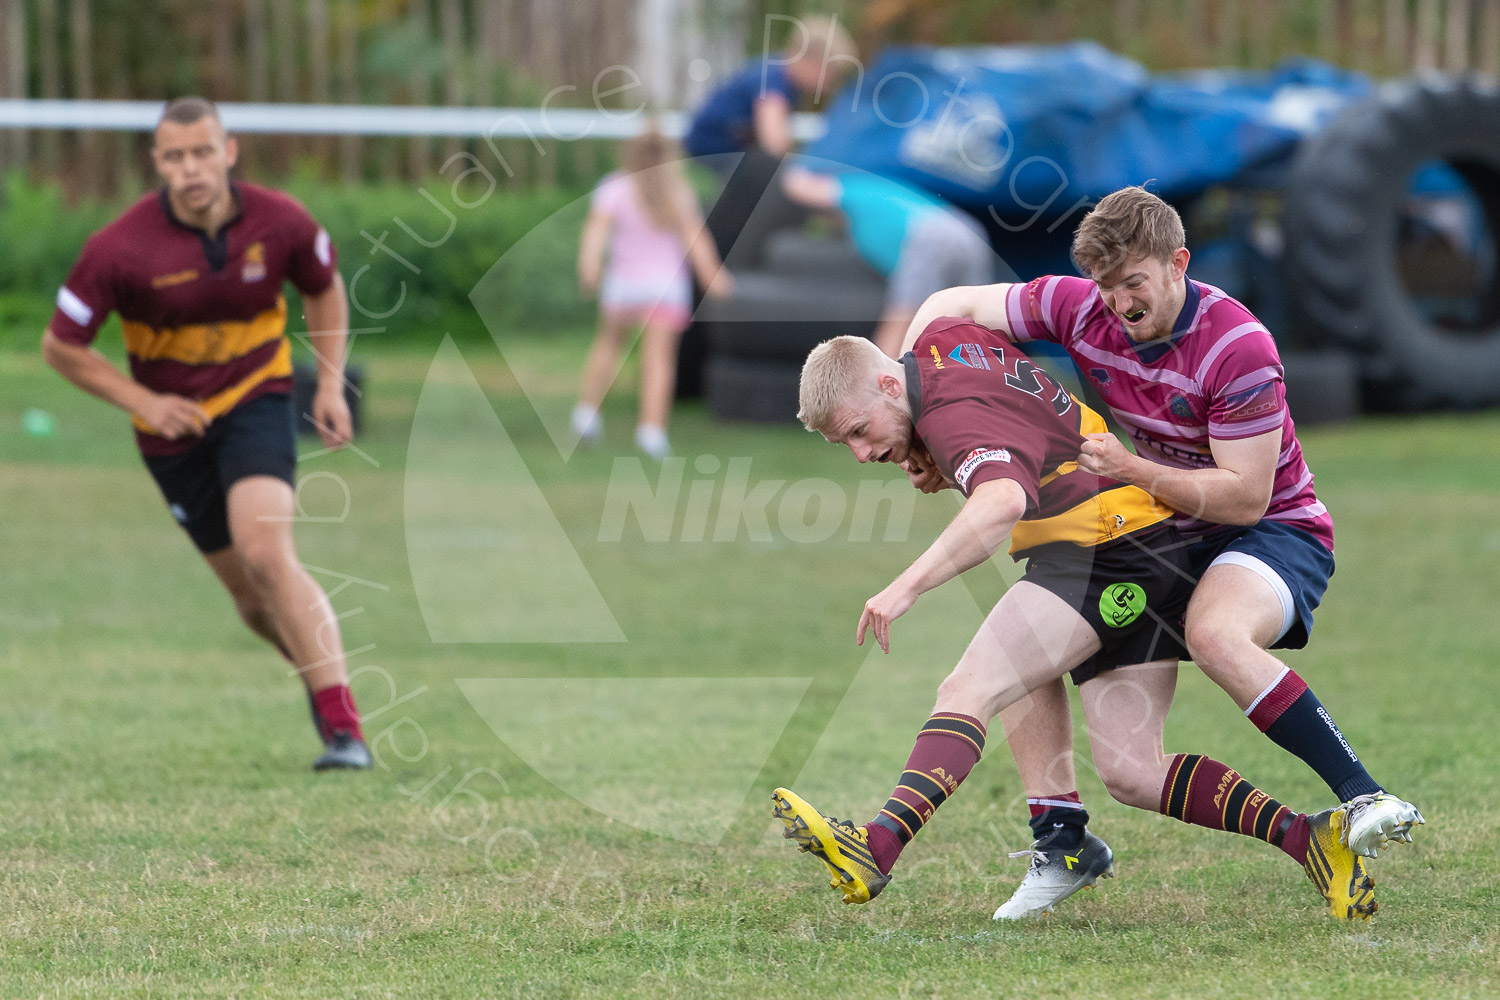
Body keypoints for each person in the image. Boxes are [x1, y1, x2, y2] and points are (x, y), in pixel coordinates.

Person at [896, 186, 1423, 916]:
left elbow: (1244, 497)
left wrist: (1132, 468)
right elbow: (953, 304)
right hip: (1162, 531)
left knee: (1214, 632)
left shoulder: (1238, 346)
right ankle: (1074, 841)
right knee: (1128, 768)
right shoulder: (1078, 305)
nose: (1119, 303)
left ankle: (1364, 794)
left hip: (1274, 531)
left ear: (1179, 263)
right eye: (1107, 287)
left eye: (1134, 283)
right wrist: (913, 405)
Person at [774, 331, 1381, 921]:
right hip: (1132, 544)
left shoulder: (949, 414)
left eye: (859, 431)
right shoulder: (942, 342)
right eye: (844, 445)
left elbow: (1002, 502)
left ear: (888, 383)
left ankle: (878, 846)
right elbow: (993, 392)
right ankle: (1309, 839)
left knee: (971, 689)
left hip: (1105, 549)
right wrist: (928, 448)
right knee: (1134, 773)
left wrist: (903, 587)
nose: (860, 453)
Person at [41, 96, 371, 771]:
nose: (191, 168)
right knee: (252, 605)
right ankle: (324, 672)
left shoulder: (281, 220)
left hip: (259, 399)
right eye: (175, 156)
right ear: (157, 163)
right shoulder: (118, 248)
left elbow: (325, 286)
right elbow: (60, 346)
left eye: (202, 152)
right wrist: (144, 401)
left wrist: (332, 384)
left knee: (265, 550)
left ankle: (343, 727)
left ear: (229, 150)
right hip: (172, 436)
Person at [572, 129, 733, 460]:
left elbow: (596, 232)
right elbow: (696, 241)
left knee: (608, 347)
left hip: (623, 285)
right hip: (665, 289)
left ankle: (588, 413)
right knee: (658, 361)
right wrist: (715, 278)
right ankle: (651, 430)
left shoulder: (614, 187)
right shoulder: (677, 192)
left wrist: (589, 266)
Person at [683, 16, 858, 268]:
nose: (830, 83)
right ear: (812, 61)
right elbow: (773, 142)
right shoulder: (774, 79)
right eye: (830, 73)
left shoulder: (775, 74)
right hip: (712, 161)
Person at [780, 163, 994, 356]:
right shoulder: (869, 214)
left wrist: (789, 166)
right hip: (970, 233)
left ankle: (874, 391)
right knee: (973, 328)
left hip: (931, 237)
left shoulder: (853, 187)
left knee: (899, 328)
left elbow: (800, 185)